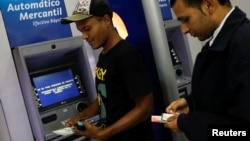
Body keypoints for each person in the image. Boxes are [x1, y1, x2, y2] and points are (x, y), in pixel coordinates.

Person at [60, 0, 154, 141]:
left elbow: (145, 108)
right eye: (81, 31)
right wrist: (80, 117)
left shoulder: (127, 55)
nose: (84, 36)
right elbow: (106, 98)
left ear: (105, 20)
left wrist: (105, 133)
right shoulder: (105, 55)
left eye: (87, 29)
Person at [164, 0, 250, 141]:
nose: (183, 30)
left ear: (209, 5)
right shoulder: (222, 43)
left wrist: (187, 123)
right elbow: (225, 94)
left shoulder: (243, 45)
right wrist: (192, 102)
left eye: (186, 19)